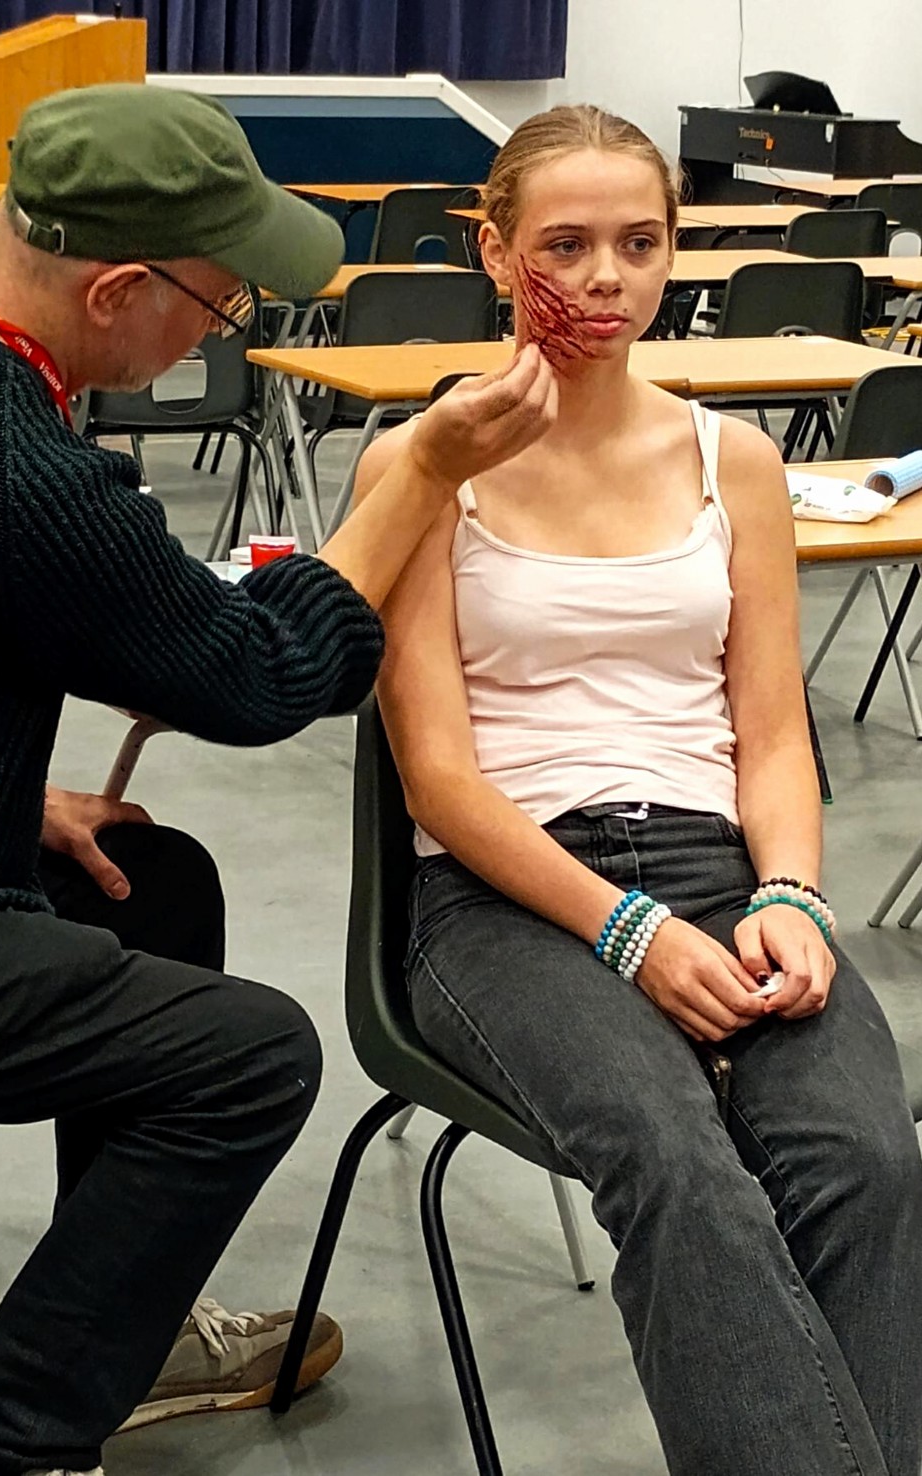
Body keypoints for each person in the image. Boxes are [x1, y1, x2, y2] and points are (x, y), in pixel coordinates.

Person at [0, 82, 556, 1476]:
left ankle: (133, 1336)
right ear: (116, 294)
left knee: (153, 883)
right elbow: (262, 679)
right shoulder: (10, 464)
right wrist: (415, 476)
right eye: (224, 310)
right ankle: (11, 1444)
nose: (233, 335)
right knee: (249, 1056)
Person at [357, 104, 922, 1476]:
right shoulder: (423, 465)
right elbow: (436, 780)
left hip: (721, 869)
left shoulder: (732, 465)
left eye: (639, 242)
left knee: (869, 1158)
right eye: (566, 244)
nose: (606, 278)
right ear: (496, 255)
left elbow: (772, 733)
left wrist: (789, 891)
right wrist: (627, 931)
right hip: (507, 897)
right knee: (682, 1174)